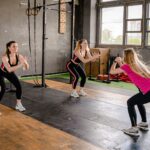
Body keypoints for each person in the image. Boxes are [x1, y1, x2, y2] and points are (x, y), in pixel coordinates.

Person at [110, 48, 150, 136]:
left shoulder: (127, 67)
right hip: (148, 91)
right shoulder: (137, 64)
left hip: (148, 92)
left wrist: (115, 62)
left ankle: (134, 129)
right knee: (139, 102)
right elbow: (126, 72)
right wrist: (120, 63)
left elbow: (112, 72)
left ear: (126, 57)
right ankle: (144, 123)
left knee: (130, 102)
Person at [0, 41, 29, 112]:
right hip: (1, 73)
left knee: (19, 86)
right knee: (2, 89)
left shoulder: (19, 56)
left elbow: (26, 68)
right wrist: (21, 64)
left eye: (17, 46)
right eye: (13, 46)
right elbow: (9, 69)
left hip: (10, 73)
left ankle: (18, 104)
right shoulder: (5, 57)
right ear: (9, 48)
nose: (16, 48)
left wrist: (25, 63)